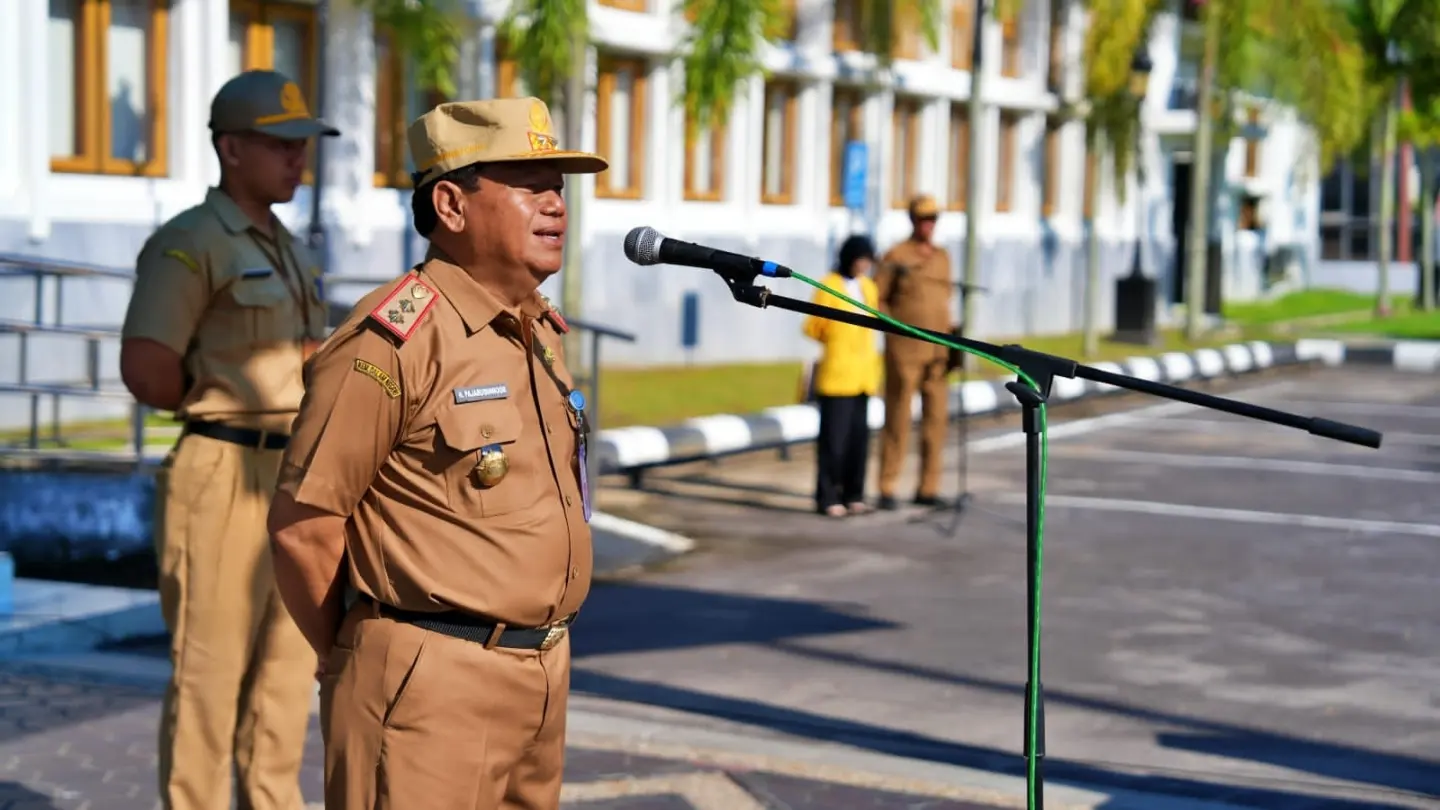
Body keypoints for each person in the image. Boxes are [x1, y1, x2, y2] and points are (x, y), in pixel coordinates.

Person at [265, 96, 605, 810]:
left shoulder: (536, 333)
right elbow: (305, 525)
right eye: (527, 184)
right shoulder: (395, 340)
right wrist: (360, 656)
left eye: (559, 188)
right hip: (430, 682)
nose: (555, 206)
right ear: (450, 204)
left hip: (541, 671)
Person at [118, 69, 339, 810]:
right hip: (220, 471)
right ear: (231, 149)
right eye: (280, 146)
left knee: (284, 676)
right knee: (208, 678)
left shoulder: (288, 247)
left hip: (294, 478)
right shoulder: (189, 243)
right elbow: (147, 368)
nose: (297, 160)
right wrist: (224, 407)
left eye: (302, 145)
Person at [873, 194, 956, 511]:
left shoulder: (943, 257)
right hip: (904, 351)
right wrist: (892, 333)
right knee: (898, 419)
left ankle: (929, 487)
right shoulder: (896, 255)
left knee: (936, 422)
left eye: (934, 218)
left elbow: (945, 299)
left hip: (938, 352)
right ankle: (887, 485)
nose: (929, 225)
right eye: (924, 218)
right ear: (912, 220)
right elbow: (877, 298)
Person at [803, 235, 882, 517]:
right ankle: (827, 496)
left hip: (863, 376)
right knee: (833, 442)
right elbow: (812, 326)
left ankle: (854, 493)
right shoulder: (829, 285)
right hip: (838, 375)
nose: (864, 265)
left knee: (859, 441)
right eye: (860, 259)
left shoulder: (868, 287)